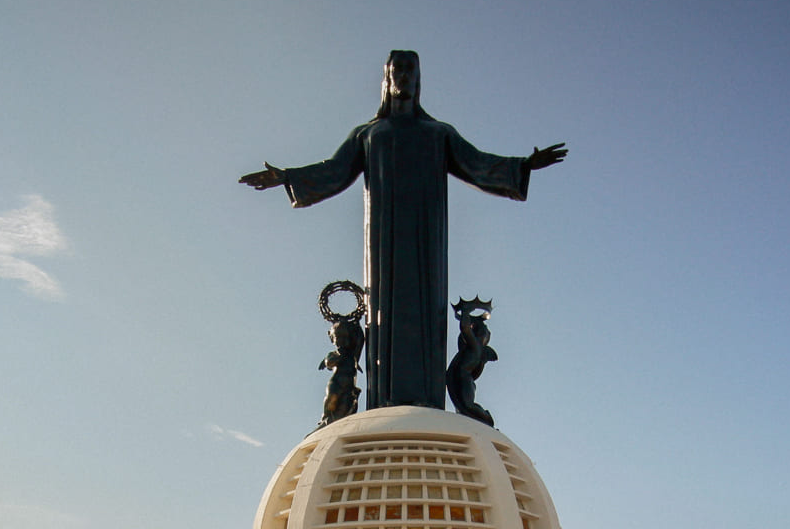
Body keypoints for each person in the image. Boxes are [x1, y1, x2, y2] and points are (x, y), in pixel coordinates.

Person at [242, 51, 565, 409]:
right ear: (386, 79)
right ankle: (383, 407)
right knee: (386, 308)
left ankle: (427, 406)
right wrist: (287, 177)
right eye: (398, 70)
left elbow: (477, 164)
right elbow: (334, 171)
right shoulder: (369, 134)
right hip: (383, 239)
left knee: (426, 312)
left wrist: (524, 165)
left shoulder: (438, 133)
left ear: (419, 80)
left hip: (427, 237)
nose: (405, 77)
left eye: (411, 71)